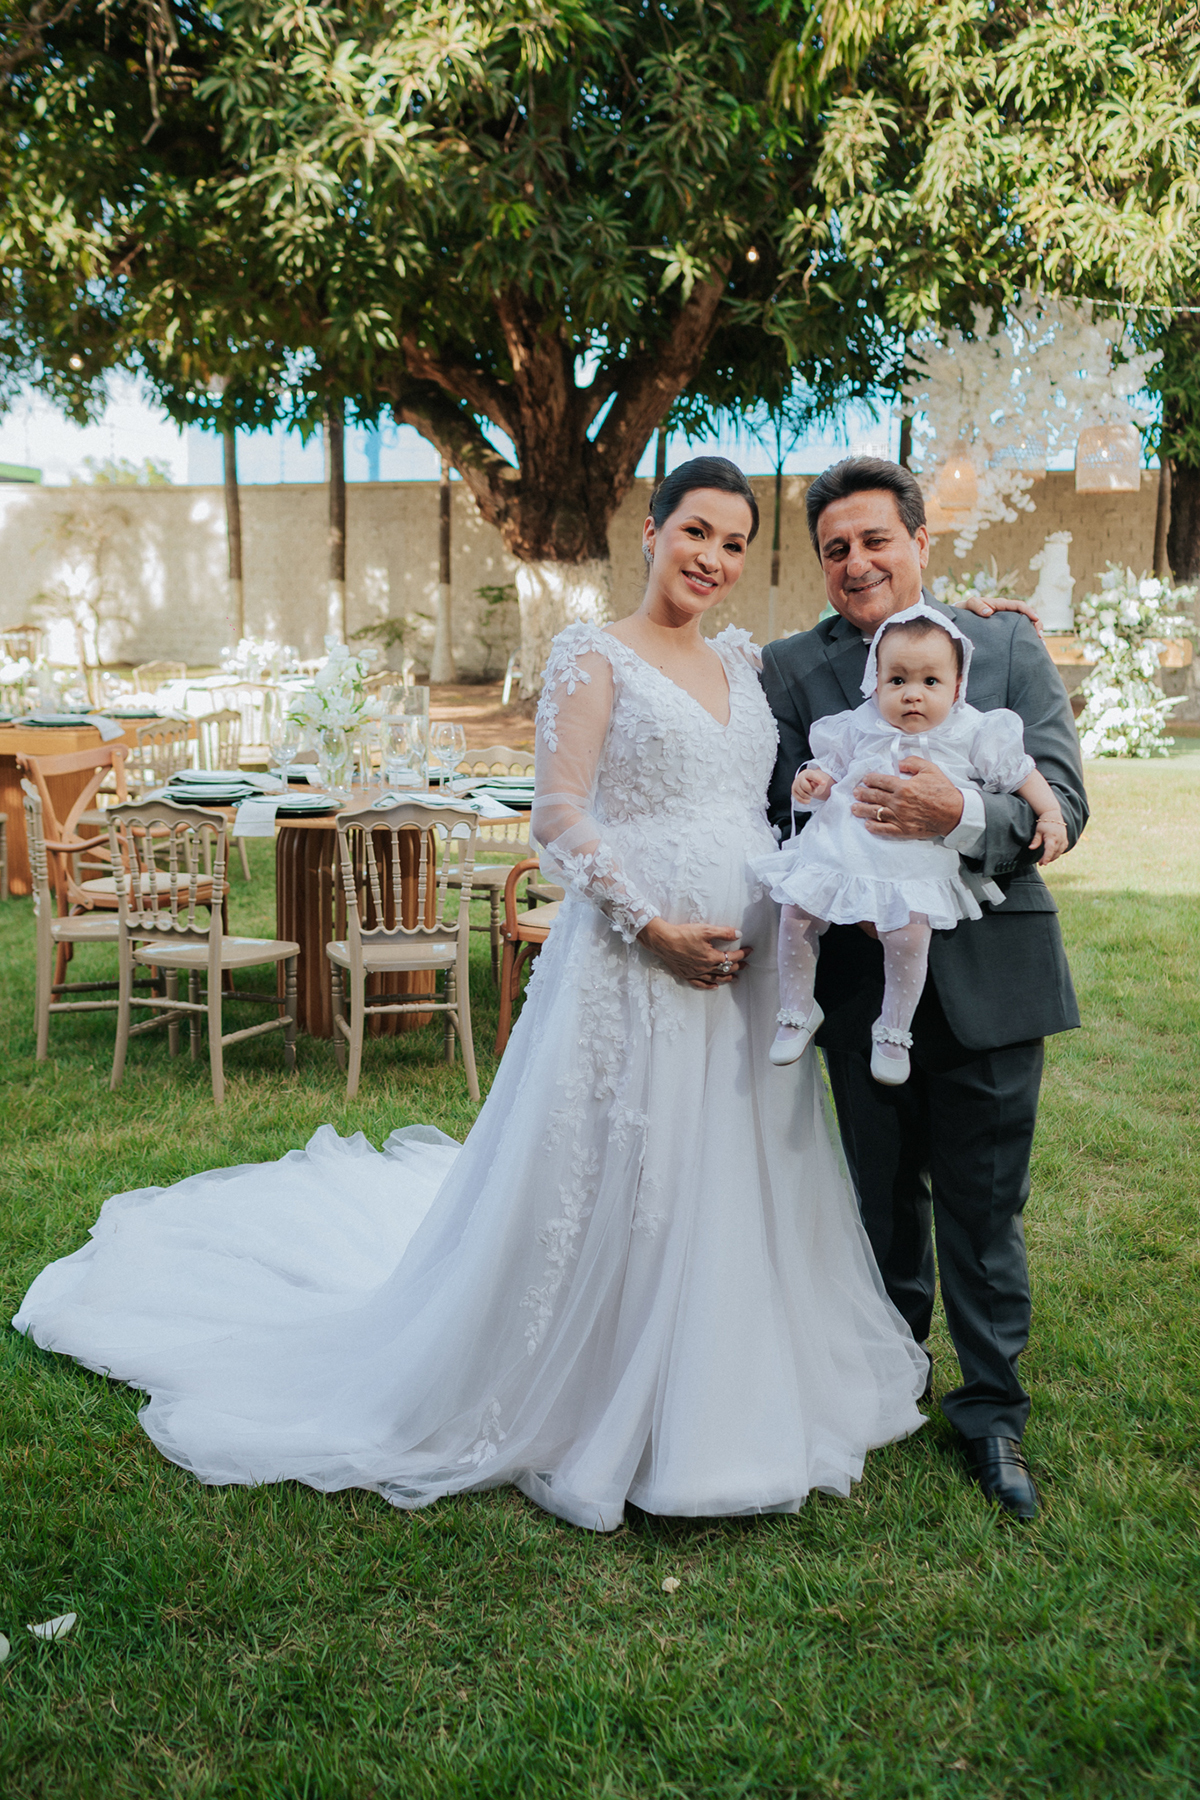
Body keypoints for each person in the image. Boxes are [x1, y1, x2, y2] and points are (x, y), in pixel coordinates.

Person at [15, 457, 927, 1534]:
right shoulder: (593, 655)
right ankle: (594, 1388)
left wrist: (967, 617)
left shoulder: (745, 660)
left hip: (750, 963)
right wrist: (654, 926)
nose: (713, 559)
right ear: (650, 530)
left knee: (735, 1171)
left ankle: (729, 1381)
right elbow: (558, 817)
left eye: (735, 543)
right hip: (637, 961)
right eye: (695, 532)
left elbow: (862, 692)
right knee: (628, 1170)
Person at [760, 457, 1089, 1521]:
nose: (858, 563)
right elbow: (776, 805)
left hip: (994, 976)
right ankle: (887, 1381)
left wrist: (959, 817)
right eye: (836, 549)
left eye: (876, 540)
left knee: (986, 1213)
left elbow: (1062, 805)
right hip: (861, 985)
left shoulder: (1001, 642)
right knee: (879, 1202)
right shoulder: (789, 670)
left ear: (920, 543)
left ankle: (992, 1417)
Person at [752, 603, 1068, 1085]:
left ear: (957, 687)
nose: (912, 695)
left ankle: (893, 1030)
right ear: (874, 684)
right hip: (842, 852)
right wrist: (813, 782)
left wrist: (1048, 813)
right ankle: (797, 1008)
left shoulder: (970, 730)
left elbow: (1020, 772)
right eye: (897, 681)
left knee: (909, 936)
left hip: (913, 861)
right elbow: (829, 767)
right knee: (796, 913)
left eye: (930, 683)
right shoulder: (861, 723)